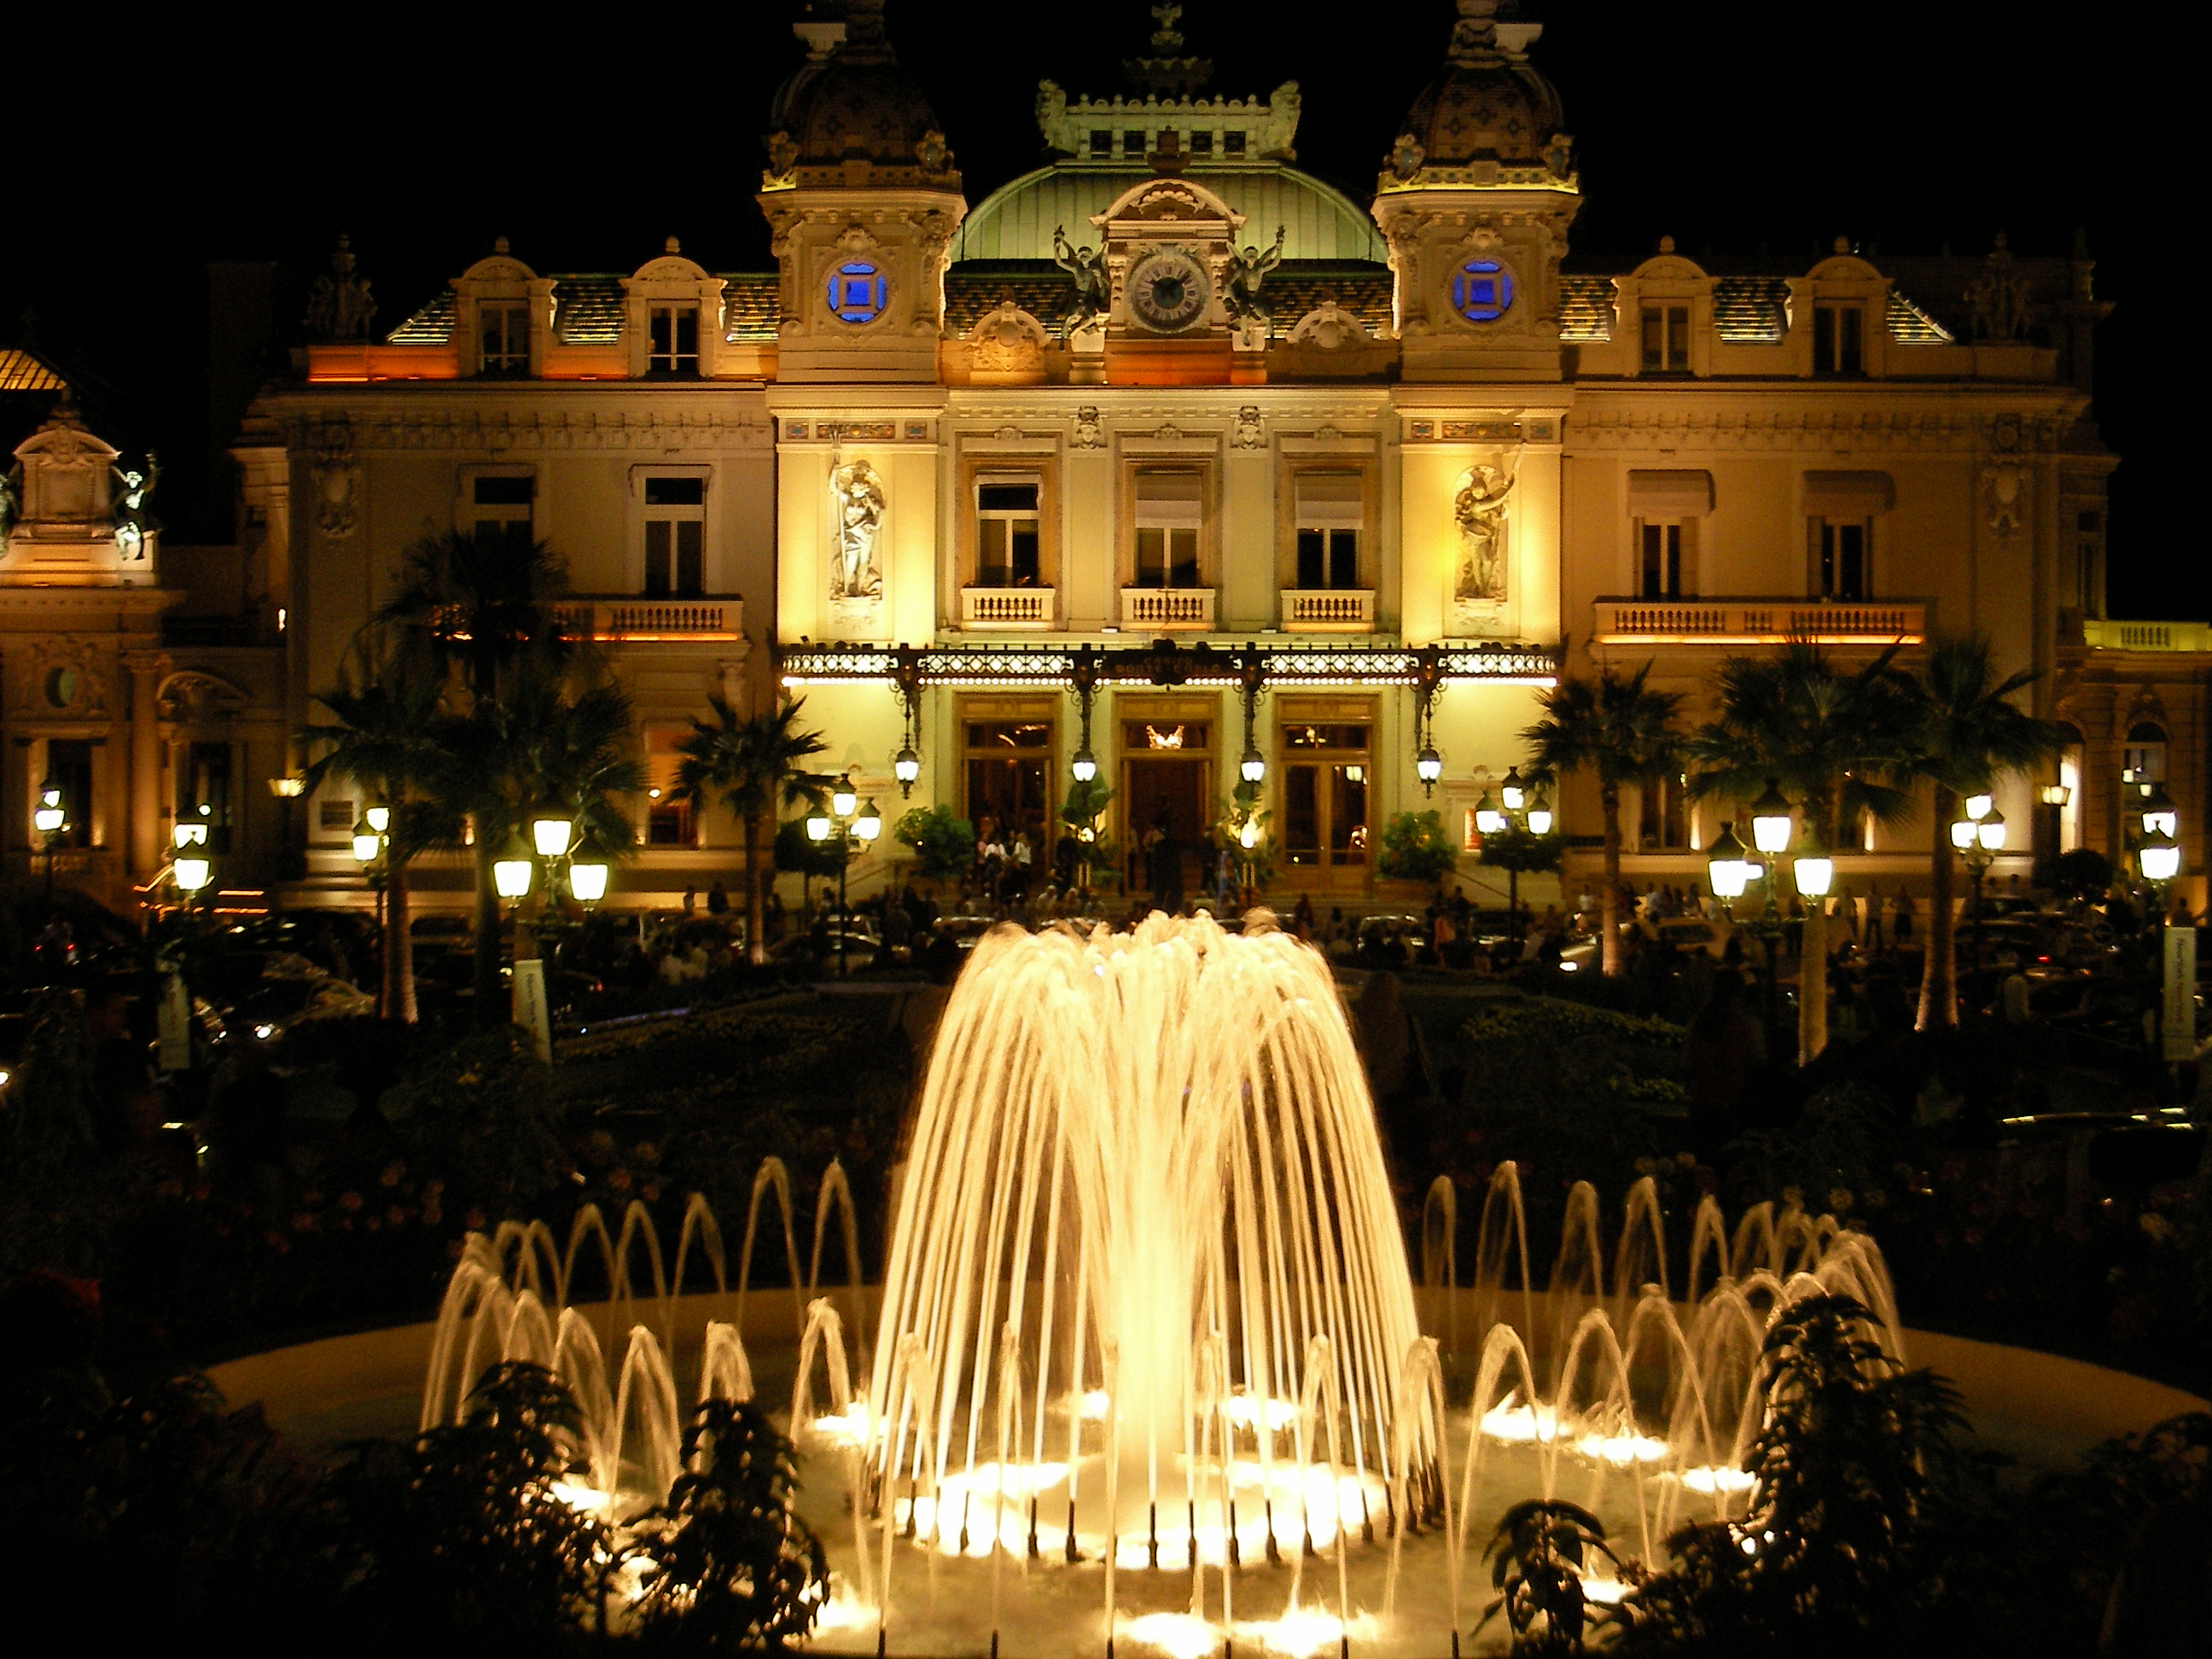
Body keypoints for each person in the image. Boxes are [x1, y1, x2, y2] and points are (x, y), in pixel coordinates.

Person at [1685, 967, 1764, 1161]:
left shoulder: (1698, 1023)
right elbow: (1756, 1061)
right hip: (1731, 1104)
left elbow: (1688, 1062)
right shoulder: (1743, 1027)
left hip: (1701, 1102)